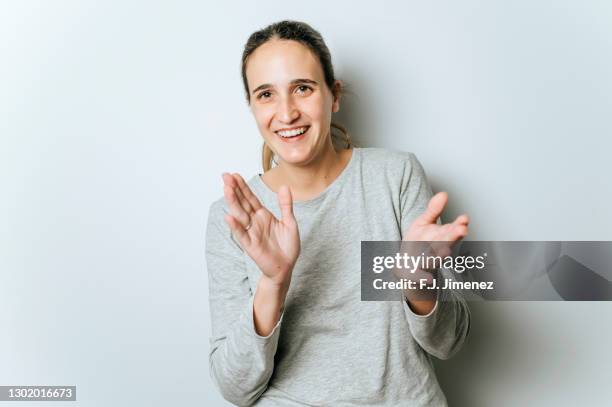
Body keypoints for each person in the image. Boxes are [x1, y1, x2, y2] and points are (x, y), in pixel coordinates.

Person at [205, 20, 471, 406]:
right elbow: (235, 388)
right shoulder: (232, 217)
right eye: (266, 94)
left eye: (303, 88)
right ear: (252, 108)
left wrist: (417, 280)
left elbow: (450, 341)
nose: (287, 112)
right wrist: (273, 283)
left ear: (333, 95)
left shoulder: (394, 177)